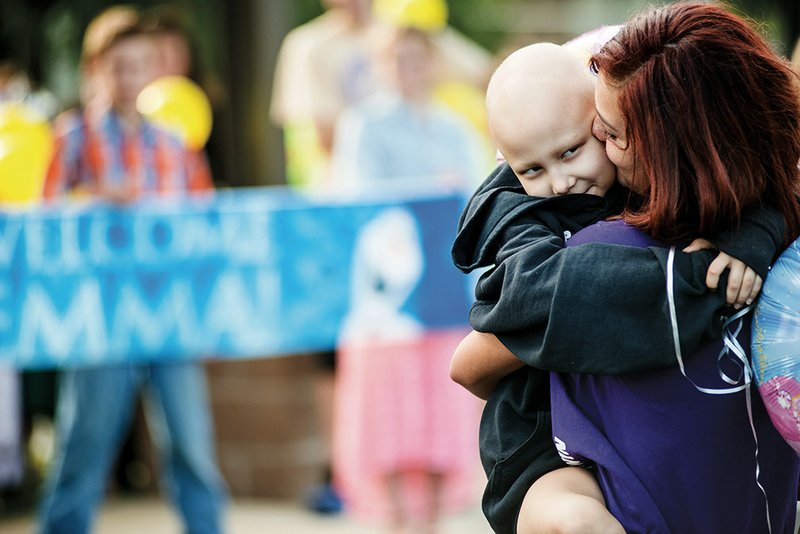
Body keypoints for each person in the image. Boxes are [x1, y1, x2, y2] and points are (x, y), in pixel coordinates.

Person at [453, 2, 800, 533]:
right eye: (531, 168)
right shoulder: (533, 212)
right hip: (539, 436)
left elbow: (776, 197)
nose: (564, 178)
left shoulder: (751, 222)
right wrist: (700, 279)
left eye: (604, 136)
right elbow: (480, 353)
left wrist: (755, 236)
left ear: (674, 149)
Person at [36, 7, 227, 534]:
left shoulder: (174, 141)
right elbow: (45, 217)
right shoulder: (72, 135)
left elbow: (202, 223)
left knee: (191, 439)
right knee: (86, 436)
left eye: (141, 65)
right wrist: (95, 200)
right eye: (118, 66)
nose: (129, 77)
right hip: (101, 311)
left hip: (170, 309)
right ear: (98, 69)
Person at [330, 25, 483, 534]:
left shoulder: (454, 128)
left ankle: (433, 522)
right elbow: (358, 198)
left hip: (442, 291)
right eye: (396, 59)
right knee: (388, 410)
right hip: (389, 300)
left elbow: (474, 201)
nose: (407, 70)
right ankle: (396, 521)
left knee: (440, 405)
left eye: (417, 59)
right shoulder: (363, 125)